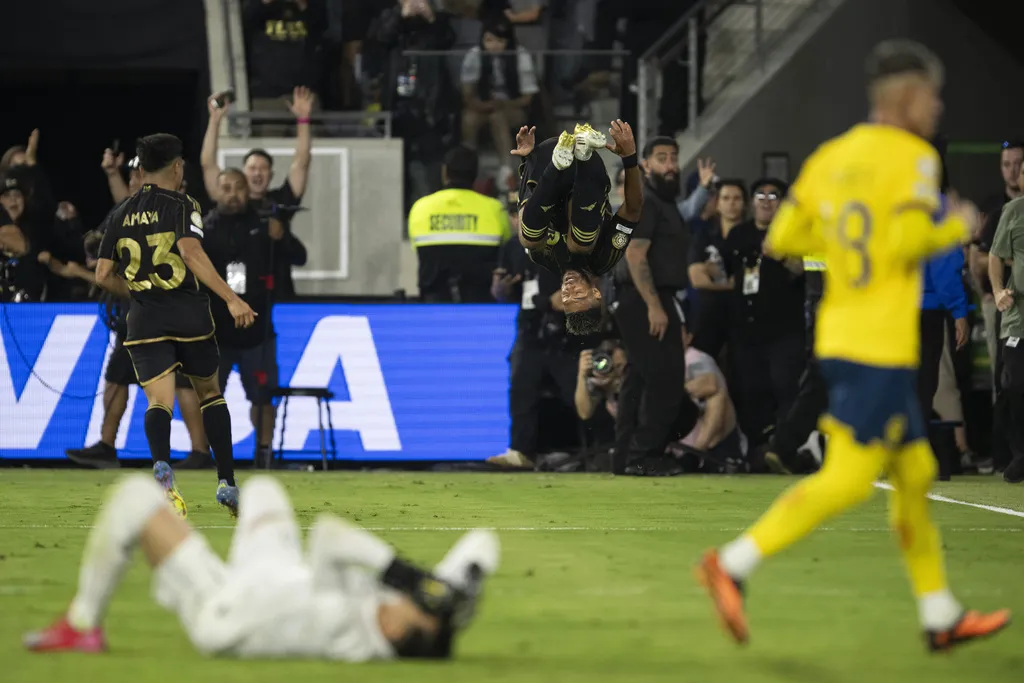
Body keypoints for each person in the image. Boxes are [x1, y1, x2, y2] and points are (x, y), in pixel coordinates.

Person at [696, 40, 1010, 651]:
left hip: (841, 333)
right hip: (878, 344)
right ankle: (731, 564)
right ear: (906, 97)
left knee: (915, 471)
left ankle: (940, 613)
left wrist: (843, 243)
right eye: (932, 95)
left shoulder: (831, 157)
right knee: (848, 479)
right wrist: (953, 224)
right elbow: (903, 241)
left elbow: (784, 237)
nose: (937, 107)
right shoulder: (914, 159)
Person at [24, 474, 499, 660]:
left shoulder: (347, 624)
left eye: (417, 602)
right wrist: (463, 587)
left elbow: (329, 535)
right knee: (264, 489)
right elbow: (484, 541)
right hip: (279, 577)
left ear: (394, 630)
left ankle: (82, 624)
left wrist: (411, 576)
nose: (414, 597)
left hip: (227, 609)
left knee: (134, 497)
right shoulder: (404, 622)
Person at [94, 134, 257, 518]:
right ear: (177, 166)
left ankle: (164, 478)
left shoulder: (121, 212)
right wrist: (231, 298)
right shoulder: (183, 205)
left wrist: (138, 293)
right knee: (210, 394)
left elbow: (102, 274)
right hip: (189, 316)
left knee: (159, 402)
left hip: (144, 321)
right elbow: (190, 251)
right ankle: (227, 483)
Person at [512, 120, 642, 334]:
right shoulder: (606, 257)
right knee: (581, 244)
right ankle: (584, 152)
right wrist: (629, 158)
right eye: (579, 295)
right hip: (587, 173)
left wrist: (528, 162)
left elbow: (525, 206)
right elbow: (633, 211)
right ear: (596, 293)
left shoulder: (543, 258)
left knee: (528, 240)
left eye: (566, 298)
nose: (569, 289)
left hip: (546, 159)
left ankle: (557, 167)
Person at [407, 146, 510, 302]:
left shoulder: (421, 208)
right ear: (475, 174)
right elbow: (507, 247)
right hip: (481, 306)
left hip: (433, 305)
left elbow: (418, 249)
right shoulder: (495, 209)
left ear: (444, 172)